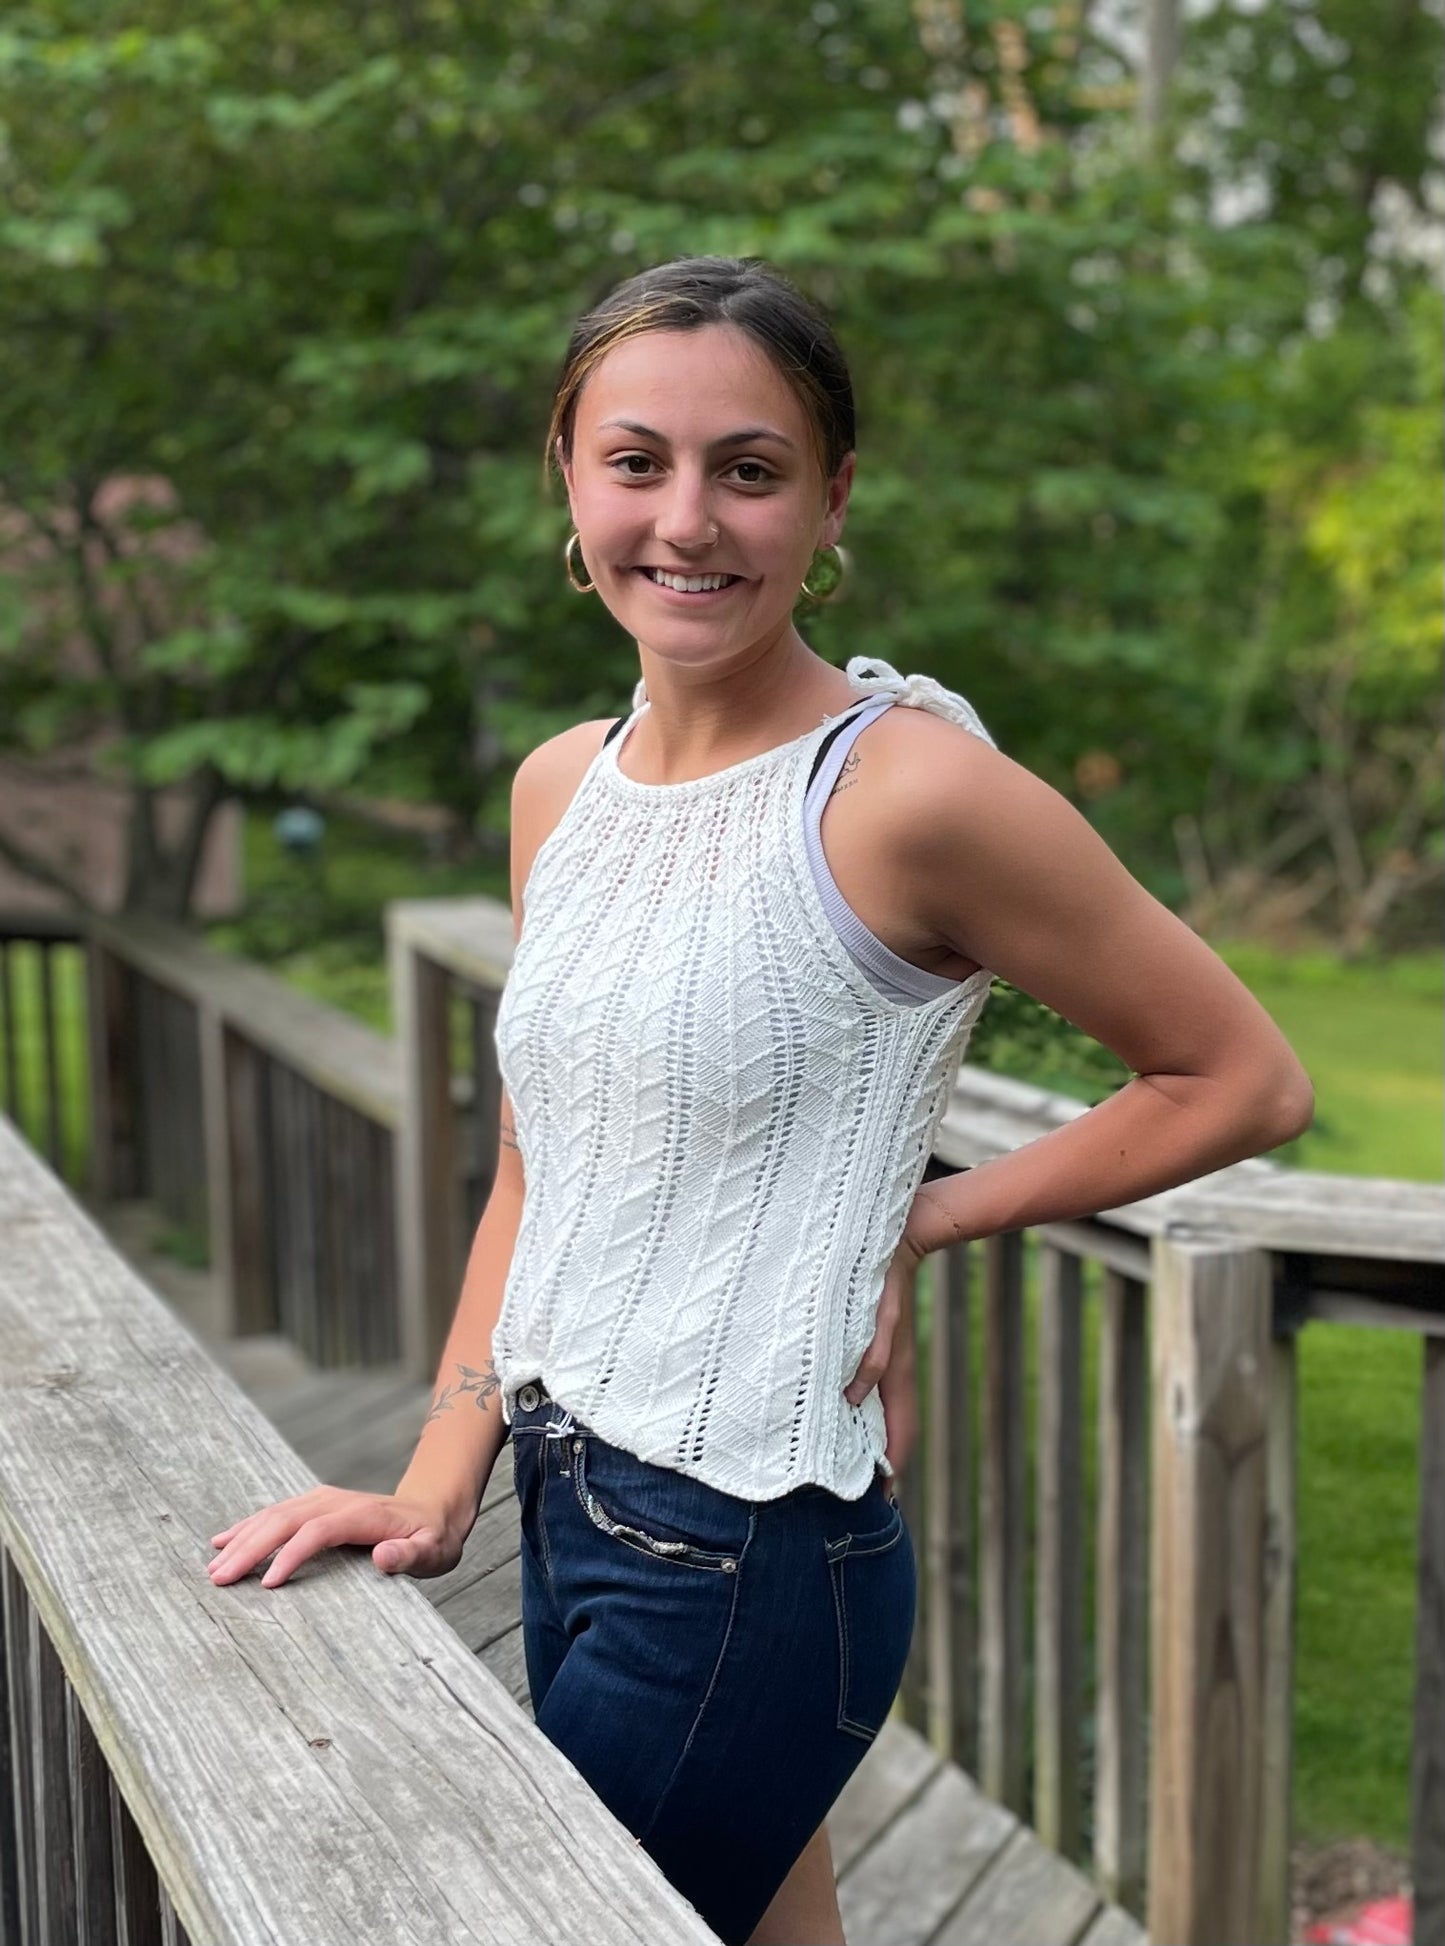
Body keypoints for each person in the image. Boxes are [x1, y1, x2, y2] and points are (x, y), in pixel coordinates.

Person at [206, 255, 1314, 1945]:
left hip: (747, 1558)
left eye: (750, 468)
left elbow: (1239, 1075)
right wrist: (439, 1477)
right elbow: (539, 1167)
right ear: (567, 481)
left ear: (827, 499)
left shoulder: (906, 790)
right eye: (636, 460)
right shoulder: (558, 787)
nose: (689, 520)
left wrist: (917, 1216)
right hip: (565, 1500)